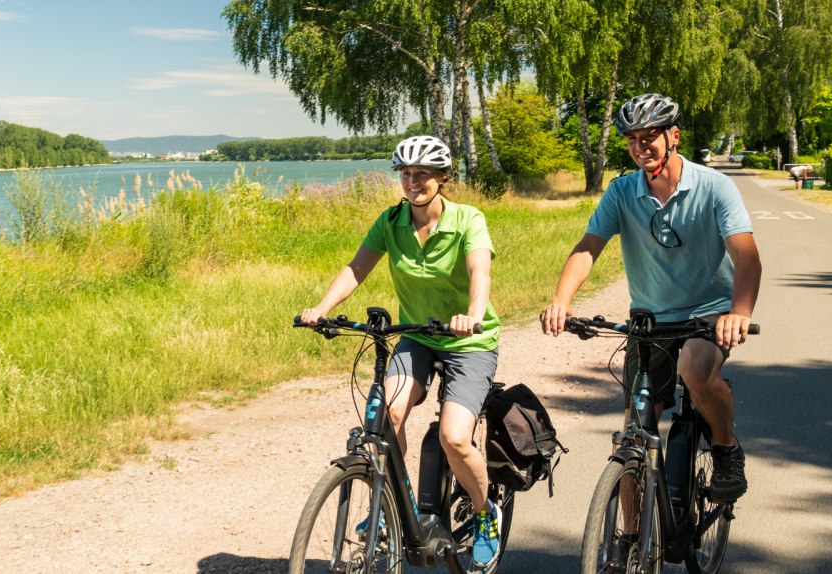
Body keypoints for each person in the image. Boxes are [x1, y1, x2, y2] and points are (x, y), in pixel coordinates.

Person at [538, 93, 761, 503]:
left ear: (673, 136)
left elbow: (746, 257)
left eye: (650, 136)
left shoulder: (714, 187)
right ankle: (629, 549)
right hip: (649, 321)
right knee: (632, 435)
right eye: (632, 139)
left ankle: (726, 448)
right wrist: (561, 300)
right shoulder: (622, 192)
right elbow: (588, 247)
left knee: (695, 370)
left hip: (707, 313)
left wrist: (739, 312)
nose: (641, 146)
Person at [300, 134, 504, 567]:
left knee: (453, 437)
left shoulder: (469, 219)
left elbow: (478, 269)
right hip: (417, 336)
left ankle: (486, 513)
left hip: (468, 341)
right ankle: (391, 506)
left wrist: (472, 312)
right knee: (385, 415)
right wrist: (322, 308)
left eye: (423, 174)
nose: (413, 182)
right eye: (406, 174)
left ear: (443, 177)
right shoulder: (390, 221)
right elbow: (357, 267)